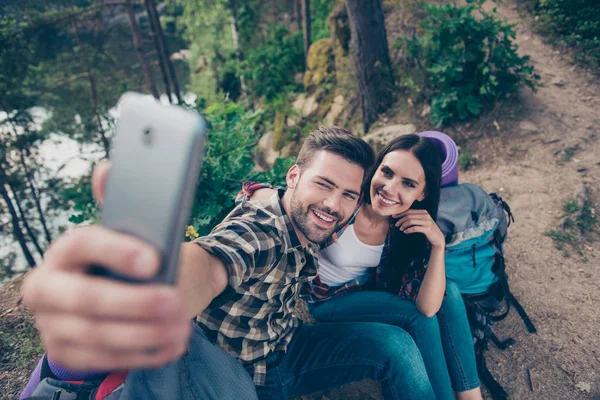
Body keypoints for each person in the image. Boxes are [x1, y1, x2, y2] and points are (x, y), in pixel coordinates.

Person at [22, 127, 436, 400]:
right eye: (323, 185)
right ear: (294, 177)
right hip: (245, 377)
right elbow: (211, 261)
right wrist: (153, 291)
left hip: (282, 344)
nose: (333, 204)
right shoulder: (262, 232)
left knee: (395, 344)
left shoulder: (301, 214)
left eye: (349, 194)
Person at [244, 134, 482, 400]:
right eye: (387, 172)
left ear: (422, 193)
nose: (390, 189)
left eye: (407, 183)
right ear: (375, 168)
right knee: (414, 317)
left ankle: (471, 396)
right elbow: (293, 195)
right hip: (327, 300)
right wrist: (257, 193)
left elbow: (429, 306)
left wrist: (438, 245)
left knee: (448, 292)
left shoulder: (406, 226)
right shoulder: (345, 202)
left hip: (367, 291)